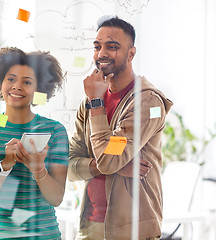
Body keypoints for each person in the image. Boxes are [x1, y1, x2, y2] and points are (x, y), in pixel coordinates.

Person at [68, 16, 173, 240]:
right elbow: (67, 166)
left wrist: (96, 103)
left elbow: (109, 159)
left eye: (112, 47)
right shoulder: (89, 102)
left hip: (131, 229)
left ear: (131, 53)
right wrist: (106, 167)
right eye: (97, 46)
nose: (101, 53)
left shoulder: (147, 102)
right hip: (90, 226)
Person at [0, 47, 69, 239]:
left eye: (27, 82)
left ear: (39, 88)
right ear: (0, 81)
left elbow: (56, 198)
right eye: (11, 79)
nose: (17, 86)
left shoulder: (54, 130)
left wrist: (38, 168)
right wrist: (5, 166)